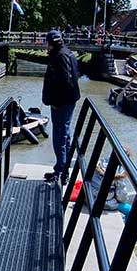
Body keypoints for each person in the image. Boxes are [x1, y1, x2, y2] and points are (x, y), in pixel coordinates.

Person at [42, 29, 81, 183]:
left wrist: (57, 102)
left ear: (50, 43)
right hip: (68, 100)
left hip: (62, 102)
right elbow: (76, 74)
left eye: (47, 43)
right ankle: (64, 169)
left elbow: (66, 80)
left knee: (60, 134)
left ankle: (61, 170)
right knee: (65, 132)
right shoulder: (67, 53)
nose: (46, 46)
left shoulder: (59, 56)